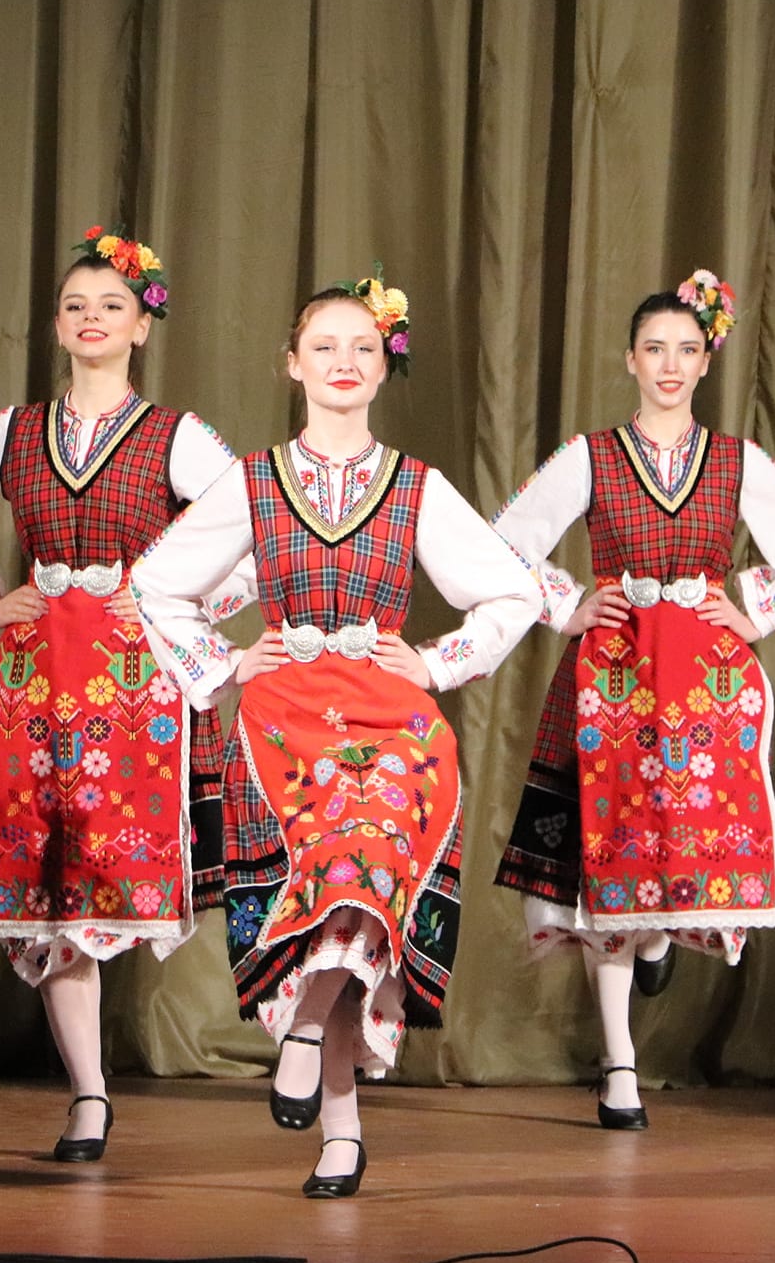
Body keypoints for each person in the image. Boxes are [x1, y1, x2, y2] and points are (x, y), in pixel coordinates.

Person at [132, 270, 540, 1197]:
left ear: (385, 365)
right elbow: (155, 585)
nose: (344, 361)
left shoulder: (416, 487)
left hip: (395, 723)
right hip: (283, 721)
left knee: (367, 869)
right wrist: (224, 661)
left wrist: (436, 662)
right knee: (340, 894)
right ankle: (343, 1132)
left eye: (362, 346)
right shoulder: (254, 481)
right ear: (292, 363)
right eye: (324, 346)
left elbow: (513, 590)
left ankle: (309, 1031)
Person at [0, 225, 248, 1162]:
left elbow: (258, 536)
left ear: (143, 325)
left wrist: (171, 606)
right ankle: (90, 1093)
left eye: (112, 305)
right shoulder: (15, 431)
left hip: (133, 692)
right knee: (50, 891)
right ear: (57, 326)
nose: (92, 318)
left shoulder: (178, 437)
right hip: (30, 684)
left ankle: (98, 1088)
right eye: (75, 305)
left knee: (101, 881)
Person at [491, 270, 775, 1127]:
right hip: (614, 674)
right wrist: (567, 603)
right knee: (609, 859)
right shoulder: (591, 456)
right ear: (630, 360)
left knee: (671, 847)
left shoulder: (736, 461)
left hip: (703, 682)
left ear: (706, 361)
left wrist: (751, 609)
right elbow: (503, 541)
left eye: (686, 349)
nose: (671, 364)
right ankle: (619, 1063)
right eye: (655, 348)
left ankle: (656, 937)